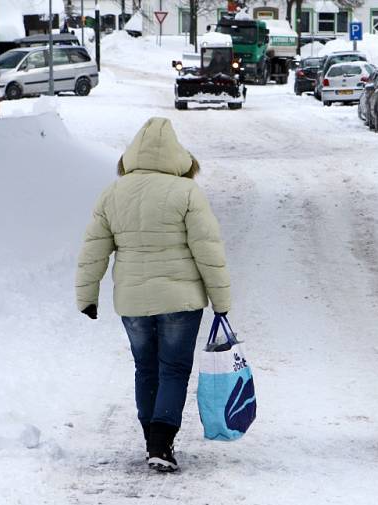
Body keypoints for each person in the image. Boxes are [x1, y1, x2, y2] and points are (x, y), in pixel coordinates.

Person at [75, 117, 231, 472]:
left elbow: (93, 250)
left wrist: (87, 295)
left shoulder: (113, 193)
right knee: (173, 369)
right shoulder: (187, 192)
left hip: (132, 302)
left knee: (145, 368)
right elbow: (208, 250)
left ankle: (152, 440)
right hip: (181, 301)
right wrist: (221, 301)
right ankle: (161, 443)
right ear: (178, 156)